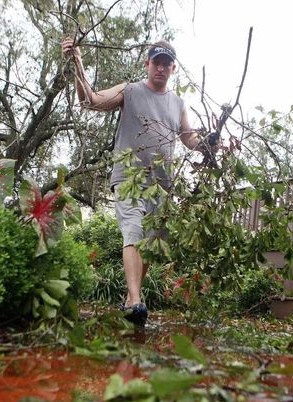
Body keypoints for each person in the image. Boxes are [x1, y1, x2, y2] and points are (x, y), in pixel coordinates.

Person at [62, 37, 211, 326]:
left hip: (162, 185)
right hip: (129, 178)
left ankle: (131, 299)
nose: (161, 68)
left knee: (151, 244)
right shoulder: (129, 91)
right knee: (133, 231)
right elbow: (89, 101)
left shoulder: (178, 103)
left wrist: (210, 142)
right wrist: (77, 63)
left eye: (167, 64)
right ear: (147, 64)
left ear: (173, 69)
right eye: (156, 62)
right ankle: (137, 302)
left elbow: (190, 139)